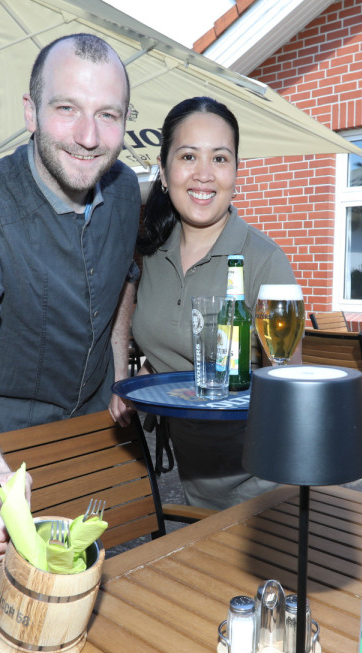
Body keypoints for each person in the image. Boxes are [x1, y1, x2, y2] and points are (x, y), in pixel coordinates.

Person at [0, 34, 138, 573]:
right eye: (67, 109)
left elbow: (125, 277)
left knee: (100, 581)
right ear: (30, 112)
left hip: (95, 437)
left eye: (108, 115)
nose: (89, 137)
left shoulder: (126, 189)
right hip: (9, 456)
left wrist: (120, 370)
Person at [132, 97, 298, 510]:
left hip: (266, 483)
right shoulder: (151, 253)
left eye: (220, 158)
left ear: (236, 173)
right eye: (188, 156)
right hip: (194, 480)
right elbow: (169, 343)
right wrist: (140, 378)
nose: (204, 174)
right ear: (164, 171)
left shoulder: (264, 260)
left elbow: (291, 387)